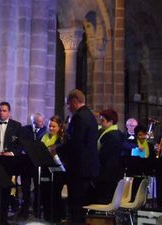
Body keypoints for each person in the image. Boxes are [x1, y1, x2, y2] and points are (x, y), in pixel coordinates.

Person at [55, 89, 99, 223]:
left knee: (75, 206)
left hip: (79, 169)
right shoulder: (90, 116)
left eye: (68, 104)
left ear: (74, 101)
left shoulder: (78, 117)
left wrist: (57, 149)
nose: (67, 107)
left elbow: (75, 143)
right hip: (88, 168)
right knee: (81, 207)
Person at [18, 112, 47, 218]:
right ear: (33, 122)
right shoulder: (24, 130)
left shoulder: (45, 131)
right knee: (25, 188)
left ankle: (37, 211)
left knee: (38, 188)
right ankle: (24, 211)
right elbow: (20, 144)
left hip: (38, 164)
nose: (42, 123)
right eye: (40, 121)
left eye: (43, 120)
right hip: (25, 163)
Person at [40, 115, 66, 223]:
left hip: (57, 171)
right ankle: (46, 217)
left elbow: (62, 155)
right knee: (45, 194)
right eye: (50, 126)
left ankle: (56, 218)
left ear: (60, 127)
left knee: (55, 195)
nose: (51, 128)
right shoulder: (44, 136)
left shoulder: (62, 139)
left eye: (54, 126)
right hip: (45, 170)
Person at [96, 109, 124, 203]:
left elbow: (104, 157)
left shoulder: (111, 135)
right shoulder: (115, 132)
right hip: (111, 174)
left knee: (105, 200)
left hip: (107, 176)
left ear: (111, 122)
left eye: (103, 120)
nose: (101, 123)